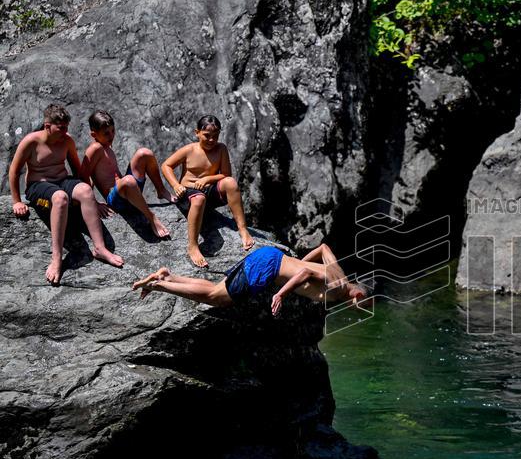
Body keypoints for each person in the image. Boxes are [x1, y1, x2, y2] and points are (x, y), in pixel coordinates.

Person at [8, 104, 124, 284]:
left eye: (66, 127)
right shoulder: (31, 141)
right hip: (39, 186)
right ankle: (56, 259)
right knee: (60, 197)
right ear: (48, 126)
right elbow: (14, 171)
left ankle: (100, 248)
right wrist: (16, 201)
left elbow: (78, 170)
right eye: (61, 128)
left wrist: (93, 202)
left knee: (85, 190)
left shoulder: (67, 141)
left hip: (62, 180)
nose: (65, 131)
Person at [132, 243, 367, 315]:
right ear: (357, 296)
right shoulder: (337, 289)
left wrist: (297, 261)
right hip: (267, 269)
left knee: (217, 289)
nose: (361, 310)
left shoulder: (341, 273)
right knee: (218, 298)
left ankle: (168, 275)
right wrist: (280, 294)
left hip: (271, 256)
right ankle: (160, 286)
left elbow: (324, 248)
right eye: (364, 306)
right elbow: (305, 273)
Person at [160, 115, 255, 267]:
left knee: (230, 183)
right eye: (207, 136)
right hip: (189, 194)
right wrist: (176, 185)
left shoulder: (221, 148)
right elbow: (166, 165)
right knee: (199, 199)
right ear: (197, 133)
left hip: (209, 191)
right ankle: (193, 246)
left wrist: (207, 179)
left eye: (215, 136)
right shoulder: (189, 150)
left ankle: (242, 229)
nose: (211, 140)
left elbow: (226, 174)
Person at [80, 110, 175, 238]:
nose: (111, 135)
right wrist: (94, 203)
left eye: (113, 131)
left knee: (144, 153)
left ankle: (161, 190)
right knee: (128, 180)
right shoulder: (95, 149)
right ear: (94, 134)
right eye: (106, 133)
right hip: (116, 200)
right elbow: (83, 176)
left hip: (128, 190)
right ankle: (151, 218)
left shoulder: (107, 146)